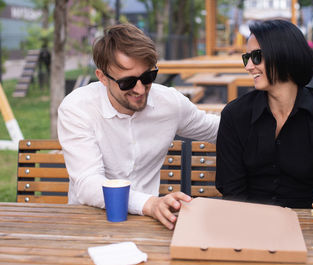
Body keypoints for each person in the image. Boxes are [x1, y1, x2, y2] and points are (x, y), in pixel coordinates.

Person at [57, 23, 220, 230]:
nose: (140, 89)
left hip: (147, 222)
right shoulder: (78, 108)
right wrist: (149, 204)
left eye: (147, 77)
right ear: (102, 78)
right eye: (127, 82)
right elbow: (88, 183)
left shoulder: (169, 102)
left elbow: (216, 129)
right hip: (89, 221)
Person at [216, 20, 313, 236]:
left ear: (283, 55)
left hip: (307, 228)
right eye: (247, 58)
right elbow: (232, 190)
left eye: (256, 57)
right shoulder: (235, 115)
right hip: (246, 226)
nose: (248, 66)